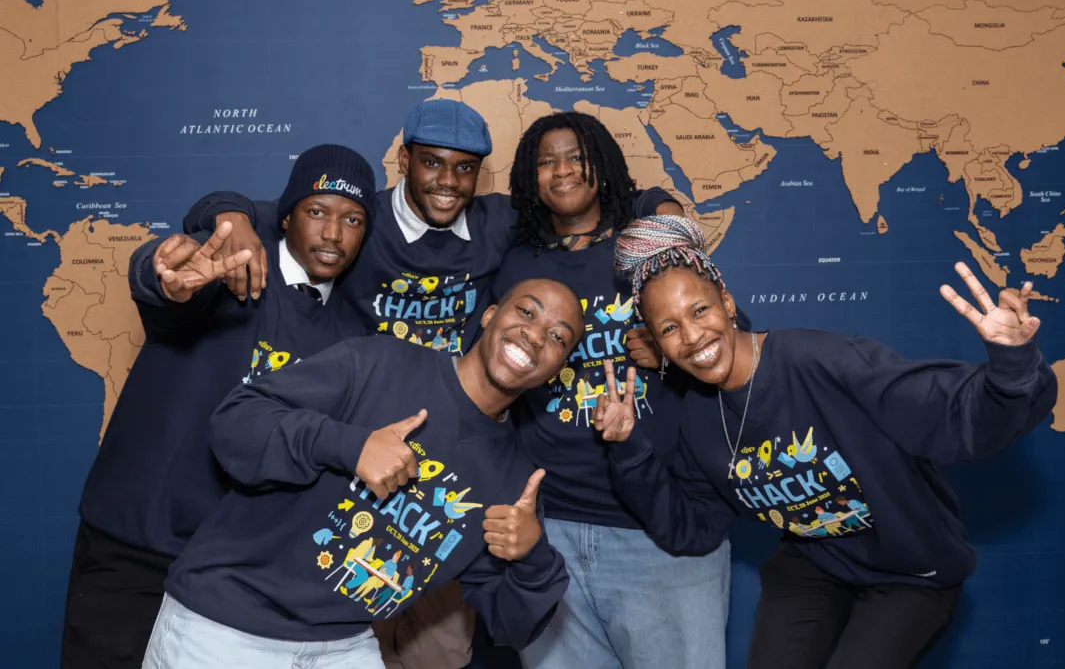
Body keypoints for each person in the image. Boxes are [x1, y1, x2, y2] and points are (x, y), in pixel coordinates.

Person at [178, 98, 677, 668]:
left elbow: (583, 194)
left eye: (464, 168)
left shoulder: (500, 224)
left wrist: (665, 210)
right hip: (368, 434)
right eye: (432, 163)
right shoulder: (359, 224)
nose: (447, 181)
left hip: (457, 472)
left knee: (436, 650)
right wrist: (228, 214)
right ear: (404, 160)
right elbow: (272, 216)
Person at [596, 214, 1058, 669]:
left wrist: (1012, 364)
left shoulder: (823, 362)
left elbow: (958, 418)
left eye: (699, 310)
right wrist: (627, 446)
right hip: (814, 564)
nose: (693, 337)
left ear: (728, 304)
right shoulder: (695, 414)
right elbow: (690, 526)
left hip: (911, 572)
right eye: (669, 328)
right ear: (654, 341)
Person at [141, 278, 585, 669]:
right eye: (525, 312)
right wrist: (349, 446)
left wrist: (533, 558)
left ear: (558, 367)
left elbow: (511, 625)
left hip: (342, 643)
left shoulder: (514, 482)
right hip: (225, 624)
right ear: (490, 315)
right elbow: (235, 423)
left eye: (558, 338)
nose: (534, 335)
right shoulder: (380, 361)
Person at [61, 145, 378, 669]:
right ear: (285, 215)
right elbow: (168, 290)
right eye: (316, 212)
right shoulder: (231, 272)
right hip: (134, 545)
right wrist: (165, 278)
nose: (332, 234)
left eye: (352, 219)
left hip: (231, 577)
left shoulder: (350, 332)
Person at [489, 112, 730, 669]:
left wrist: (671, 358)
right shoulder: (515, 262)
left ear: (604, 163)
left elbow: (726, 344)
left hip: (658, 529)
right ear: (529, 177)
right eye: (545, 161)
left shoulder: (647, 248)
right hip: (552, 531)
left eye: (576, 155)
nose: (562, 170)